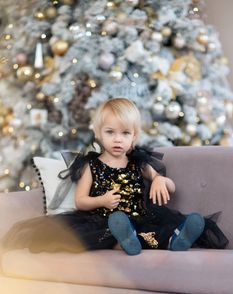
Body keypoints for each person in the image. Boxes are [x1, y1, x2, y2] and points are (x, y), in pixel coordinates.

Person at [0, 98, 228, 255]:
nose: (118, 140)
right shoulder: (91, 165)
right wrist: (101, 200)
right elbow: (81, 200)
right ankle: (123, 240)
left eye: (125, 133)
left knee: (152, 231)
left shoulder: (139, 163)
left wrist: (159, 179)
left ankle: (173, 240)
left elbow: (171, 187)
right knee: (106, 232)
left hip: (140, 217)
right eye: (111, 132)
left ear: (134, 137)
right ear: (99, 134)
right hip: (104, 220)